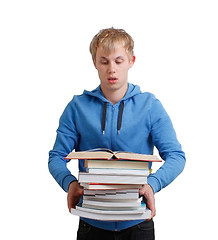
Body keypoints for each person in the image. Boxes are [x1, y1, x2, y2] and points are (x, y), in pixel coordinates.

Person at [49, 27, 186, 240]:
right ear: (94, 62)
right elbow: (56, 157)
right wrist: (70, 183)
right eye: (104, 61)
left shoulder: (150, 106)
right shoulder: (76, 107)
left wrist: (153, 184)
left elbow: (176, 156)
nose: (111, 69)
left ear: (131, 61)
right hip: (91, 223)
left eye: (118, 61)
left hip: (138, 224)